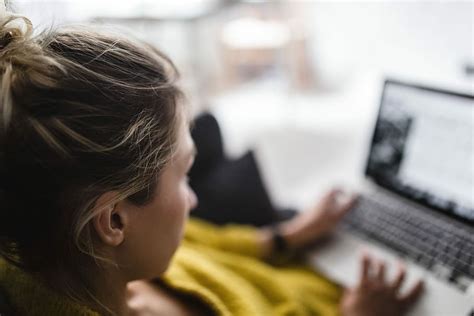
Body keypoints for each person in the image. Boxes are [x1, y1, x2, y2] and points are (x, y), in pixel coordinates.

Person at [0, 8, 424, 316]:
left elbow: (199, 241)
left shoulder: (88, 261)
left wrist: (286, 236)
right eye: (183, 175)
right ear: (112, 222)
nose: (193, 200)